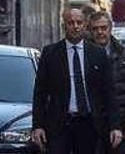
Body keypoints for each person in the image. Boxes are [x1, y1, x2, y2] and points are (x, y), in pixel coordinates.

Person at [33, 8, 114, 154]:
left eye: (79, 22)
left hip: (89, 124)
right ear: (64, 25)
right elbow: (40, 93)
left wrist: (114, 127)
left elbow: (108, 93)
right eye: (71, 23)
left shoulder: (98, 53)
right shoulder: (50, 53)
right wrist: (38, 126)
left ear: (85, 25)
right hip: (59, 125)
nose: (75, 26)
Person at [89, 11, 125, 153]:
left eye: (103, 28)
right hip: (93, 124)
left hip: (123, 122)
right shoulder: (84, 55)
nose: (100, 32)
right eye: (95, 29)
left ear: (110, 28)